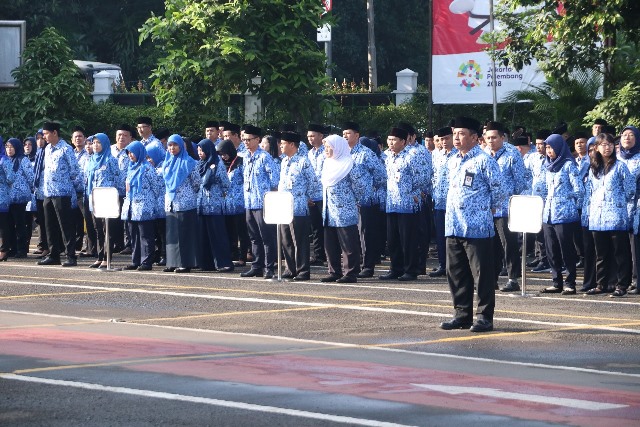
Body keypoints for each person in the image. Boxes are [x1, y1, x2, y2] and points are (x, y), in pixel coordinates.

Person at [440, 117, 505, 333]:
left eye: (461, 134)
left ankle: (484, 317)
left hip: (476, 227)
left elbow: (500, 191)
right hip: (453, 225)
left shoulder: (484, 161)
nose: (456, 138)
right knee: (456, 273)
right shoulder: (452, 160)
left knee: (482, 275)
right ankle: (462, 315)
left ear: (475, 137)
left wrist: (488, 211)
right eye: (455, 133)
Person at [582, 133, 635, 297]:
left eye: (611, 144)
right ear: (596, 148)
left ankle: (621, 285)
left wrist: (617, 203)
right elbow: (589, 192)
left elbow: (630, 190)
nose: (608, 147)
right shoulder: (593, 169)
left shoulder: (620, 167)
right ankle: (601, 284)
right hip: (597, 217)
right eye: (604, 144)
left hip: (616, 217)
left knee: (620, 253)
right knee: (601, 254)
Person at [484, 121, 528, 292]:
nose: (491, 141)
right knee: (490, 245)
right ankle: (492, 278)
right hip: (488, 208)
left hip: (505, 207)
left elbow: (520, 182)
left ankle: (513, 278)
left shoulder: (512, 154)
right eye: (488, 138)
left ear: (503, 137)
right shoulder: (484, 154)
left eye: (494, 137)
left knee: (508, 244)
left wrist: (512, 201)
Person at [539, 134, 584, 294]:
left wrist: (566, 200)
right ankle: (556, 281)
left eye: (551, 147)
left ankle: (570, 282)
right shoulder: (547, 166)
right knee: (551, 249)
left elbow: (579, 190)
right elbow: (544, 189)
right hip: (548, 214)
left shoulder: (568, 165)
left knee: (566, 249)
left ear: (559, 147)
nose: (549, 151)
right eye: (547, 148)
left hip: (564, 214)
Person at [342, 122, 387, 278]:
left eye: (348, 133)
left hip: (365, 200)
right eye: (343, 134)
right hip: (348, 201)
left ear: (357, 135)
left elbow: (381, 175)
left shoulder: (366, 153)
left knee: (366, 235)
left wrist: (368, 188)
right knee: (351, 234)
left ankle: (368, 266)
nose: (345, 136)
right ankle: (354, 264)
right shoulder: (342, 153)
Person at [378, 128, 421, 281]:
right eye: (389, 139)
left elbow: (420, 178)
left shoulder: (411, 156)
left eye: (394, 139)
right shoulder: (386, 156)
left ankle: (411, 269)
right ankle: (395, 268)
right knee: (393, 239)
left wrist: (414, 194)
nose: (390, 143)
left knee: (408, 239)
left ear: (403, 142)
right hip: (392, 202)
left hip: (408, 204)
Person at [320, 135, 364, 283]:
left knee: (348, 243)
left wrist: (354, 201)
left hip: (344, 210)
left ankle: (351, 273)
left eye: (329, 147)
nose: (326, 150)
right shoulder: (327, 164)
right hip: (329, 210)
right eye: (325, 147)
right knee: (330, 243)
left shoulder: (349, 164)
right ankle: (334, 271)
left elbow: (360, 186)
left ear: (337, 147)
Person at [38, 122, 82, 267]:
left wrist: (73, 188)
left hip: (62, 193)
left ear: (55, 132)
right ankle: (53, 255)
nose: (44, 136)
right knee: (49, 225)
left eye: (46, 133)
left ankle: (70, 256)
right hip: (48, 192)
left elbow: (75, 170)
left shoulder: (66, 149)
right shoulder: (47, 149)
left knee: (65, 226)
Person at [277, 131, 318, 281]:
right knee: (286, 239)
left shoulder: (303, 161)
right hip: (284, 207)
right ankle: (290, 268)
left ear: (292, 144)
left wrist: (307, 197)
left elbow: (314, 182)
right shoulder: (284, 161)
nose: (281, 146)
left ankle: (303, 271)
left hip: (298, 207)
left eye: (283, 143)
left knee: (299, 240)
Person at [240, 125, 279, 279]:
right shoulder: (246, 157)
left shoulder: (265, 157)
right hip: (249, 202)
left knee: (266, 237)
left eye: (249, 140)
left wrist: (270, 200)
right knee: (254, 237)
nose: (246, 142)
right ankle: (256, 266)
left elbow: (274, 180)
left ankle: (269, 267)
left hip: (262, 203)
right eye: (244, 140)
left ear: (257, 140)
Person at [121, 141, 164, 271]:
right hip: (131, 207)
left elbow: (156, 187)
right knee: (133, 235)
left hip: (144, 206)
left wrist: (149, 200)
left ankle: (146, 261)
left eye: (132, 152)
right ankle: (135, 260)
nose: (130, 155)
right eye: (128, 152)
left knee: (146, 236)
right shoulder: (131, 167)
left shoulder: (147, 167)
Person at [162, 134, 200, 273]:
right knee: (172, 234)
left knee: (184, 234)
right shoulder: (166, 162)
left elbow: (196, 183)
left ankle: (185, 263)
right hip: (171, 202)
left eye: (175, 145)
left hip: (186, 203)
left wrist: (188, 194)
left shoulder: (189, 162)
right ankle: (172, 262)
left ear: (181, 146)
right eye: (170, 145)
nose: (172, 148)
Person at [196, 138, 234, 272]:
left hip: (215, 205)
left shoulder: (218, 164)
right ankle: (206, 263)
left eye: (202, 150)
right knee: (203, 236)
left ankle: (224, 263)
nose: (200, 153)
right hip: (202, 204)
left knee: (218, 235)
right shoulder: (200, 164)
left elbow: (225, 183)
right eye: (198, 150)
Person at [85, 133, 120, 269]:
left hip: (107, 196)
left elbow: (117, 178)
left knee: (107, 229)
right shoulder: (91, 160)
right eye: (94, 143)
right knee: (97, 229)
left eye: (98, 143)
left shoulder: (110, 159)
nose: (95, 145)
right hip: (94, 197)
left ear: (105, 144)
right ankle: (100, 257)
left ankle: (107, 257)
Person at [217, 139, 249, 267]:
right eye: (221, 154)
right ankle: (232, 253)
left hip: (239, 202)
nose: (224, 156)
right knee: (229, 231)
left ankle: (243, 256)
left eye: (225, 153)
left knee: (242, 231)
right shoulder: (221, 165)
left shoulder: (240, 162)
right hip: (226, 204)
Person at [430, 127, 457, 277]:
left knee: (454, 237)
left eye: (447, 138)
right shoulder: (436, 155)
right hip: (439, 201)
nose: (444, 142)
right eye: (441, 139)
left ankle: (454, 266)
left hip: (453, 202)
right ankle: (442, 264)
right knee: (441, 235)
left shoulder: (458, 155)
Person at [618, 125, 640, 295]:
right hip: (618, 208)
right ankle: (626, 280)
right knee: (622, 246)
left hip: (637, 205)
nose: (627, 138)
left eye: (631, 135)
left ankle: (638, 281)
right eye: (625, 135)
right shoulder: (616, 158)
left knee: (636, 244)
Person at [4, 138, 33, 258]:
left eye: (11, 147)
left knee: (20, 223)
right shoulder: (5, 161)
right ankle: (12, 248)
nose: (9, 149)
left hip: (20, 197)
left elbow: (31, 177)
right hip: (7, 198)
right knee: (9, 224)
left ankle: (22, 249)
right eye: (7, 147)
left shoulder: (23, 160)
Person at [307, 123, 327, 265]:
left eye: (313, 136)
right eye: (308, 136)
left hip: (325, 194)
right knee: (315, 227)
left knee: (327, 226)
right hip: (312, 195)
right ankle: (318, 255)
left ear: (321, 136)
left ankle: (329, 255)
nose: (310, 139)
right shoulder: (310, 153)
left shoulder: (327, 152)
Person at [146, 143, 167, 266]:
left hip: (163, 206)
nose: (149, 160)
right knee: (156, 233)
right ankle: (158, 254)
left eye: (150, 157)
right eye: (147, 157)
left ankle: (165, 255)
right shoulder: (149, 169)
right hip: (153, 207)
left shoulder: (164, 168)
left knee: (164, 233)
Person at [0, 140, 15, 261]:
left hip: (2, 196)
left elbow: (11, 178)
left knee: (3, 224)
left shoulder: (4, 160)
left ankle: (4, 250)